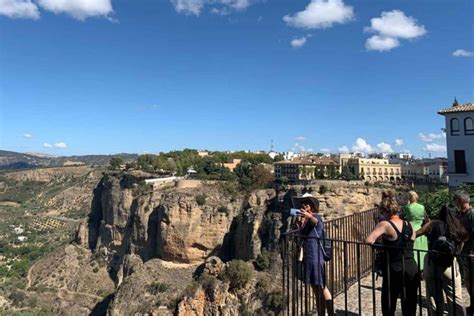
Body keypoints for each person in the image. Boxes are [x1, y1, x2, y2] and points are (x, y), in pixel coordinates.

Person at [366, 197, 420, 316]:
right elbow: (412, 240)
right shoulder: (409, 224)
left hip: (394, 267)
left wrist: (381, 245)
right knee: (410, 304)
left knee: (389, 303)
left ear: (385, 211)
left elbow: (369, 240)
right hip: (411, 266)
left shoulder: (385, 224)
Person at [417, 206, 468, 316]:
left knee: (433, 297)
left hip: (431, 263)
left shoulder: (432, 224)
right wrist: (455, 253)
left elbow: (416, 234)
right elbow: (461, 244)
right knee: (455, 297)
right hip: (449, 265)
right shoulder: (457, 227)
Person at [294, 193, 334, 316]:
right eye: (303, 204)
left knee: (320, 287)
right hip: (311, 255)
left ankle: (327, 313)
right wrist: (300, 224)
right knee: (317, 287)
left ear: (312, 206)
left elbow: (316, 221)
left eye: (306, 204)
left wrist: (308, 216)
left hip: (314, 255)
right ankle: (326, 313)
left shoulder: (316, 216)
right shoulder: (306, 220)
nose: (304, 206)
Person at [454, 190, 474, 309]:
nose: (455, 203)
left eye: (455, 200)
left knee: (471, 280)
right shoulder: (462, 213)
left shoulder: (471, 214)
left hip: (470, 253)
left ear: (460, 201)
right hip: (465, 253)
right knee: (468, 281)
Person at [403, 191, 429, 269]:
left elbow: (403, 217)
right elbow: (426, 218)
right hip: (421, 230)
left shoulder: (407, 207)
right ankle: (423, 267)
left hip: (411, 229)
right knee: (422, 250)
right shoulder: (422, 207)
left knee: (413, 250)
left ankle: (415, 267)